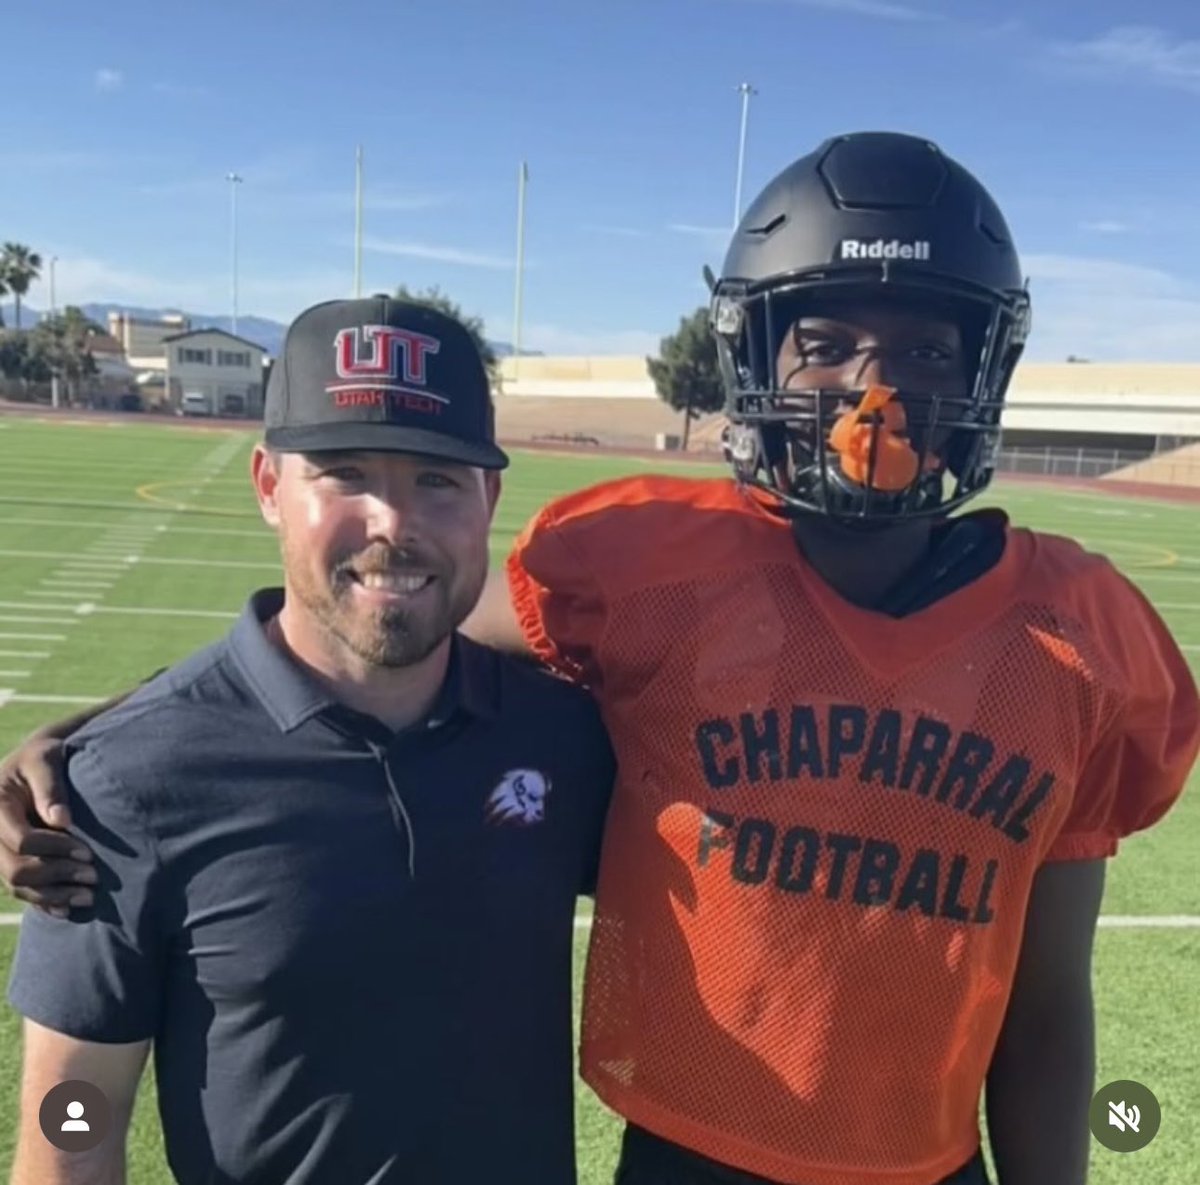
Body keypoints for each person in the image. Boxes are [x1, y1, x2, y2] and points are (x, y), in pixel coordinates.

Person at [3, 132, 1199, 1185]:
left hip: (930, 1165)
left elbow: (1047, 1005)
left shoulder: (1083, 636)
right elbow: (361, 648)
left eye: (927, 353)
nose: (875, 392)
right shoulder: (643, 565)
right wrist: (112, 746)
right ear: (761, 355)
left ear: (985, 367)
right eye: (826, 343)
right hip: (685, 1160)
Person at [2, 296, 615, 1185]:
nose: (392, 523)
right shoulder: (121, 784)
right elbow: (75, 1115)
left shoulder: (562, 737)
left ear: (489, 497)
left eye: (436, 478)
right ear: (267, 486)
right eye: (345, 472)